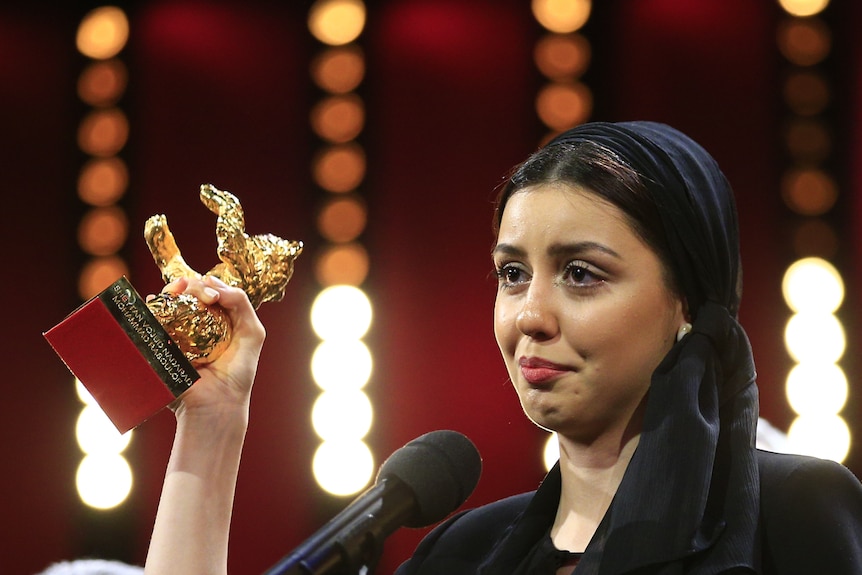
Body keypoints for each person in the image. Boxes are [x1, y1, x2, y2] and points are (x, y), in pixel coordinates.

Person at [143, 122, 862, 575]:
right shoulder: (463, 552)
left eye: (581, 274)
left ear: (687, 305)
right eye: (512, 274)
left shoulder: (794, 512)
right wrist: (212, 427)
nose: (530, 315)